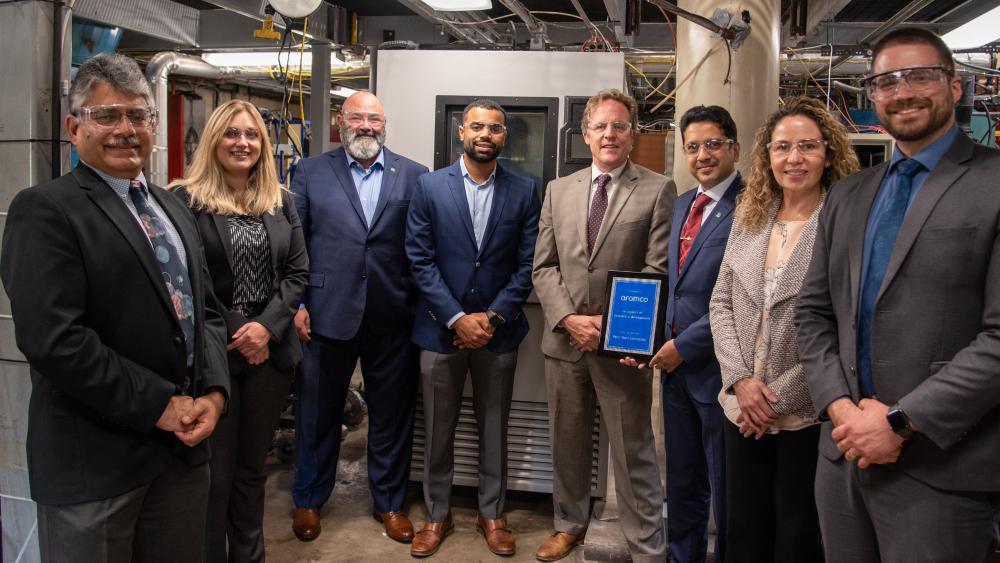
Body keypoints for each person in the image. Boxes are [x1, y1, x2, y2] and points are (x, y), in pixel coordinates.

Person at [0, 53, 229, 562]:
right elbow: (55, 341)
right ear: (74, 126)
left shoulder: (171, 205)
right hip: (97, 465)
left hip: (182, 455)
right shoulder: (47, 211)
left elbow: (205, 311)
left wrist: (214, 393)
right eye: (107, 116)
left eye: (139, 116)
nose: (126, 130)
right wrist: (160, 405)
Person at [795, 27, 1000, 562]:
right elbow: (813, 313)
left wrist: (899, 423)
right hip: (842, 460)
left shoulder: (993, 184)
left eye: (921, 76)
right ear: (873, 95)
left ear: (955, 87)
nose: (903, 91)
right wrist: (842, 410)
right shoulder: (849, 194)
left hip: (941, 467)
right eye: (887, 81)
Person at [709, 97, 858, 562]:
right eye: (782, 147)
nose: (793, 159)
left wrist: (773, 398)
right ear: (767, 155)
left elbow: (842, 320)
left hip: (806, 412)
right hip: (741, 408)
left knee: (797, 534)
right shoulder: (750, 216)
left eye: (807, 147)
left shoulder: (844, 221)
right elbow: (721, 302)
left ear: (828, 154)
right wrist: (740, 381)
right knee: (743, 529)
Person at [532, 89, 676, 563]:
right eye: (601, 126)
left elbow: (657, 271)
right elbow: (544, 267)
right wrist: (570, 319)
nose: (610, 134)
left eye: (620, 126)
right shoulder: (559, 190)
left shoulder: (657, 189)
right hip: (565, 342)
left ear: (633, 135)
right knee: (567, 442)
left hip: (623, 347)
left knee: (634, 450)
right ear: (586, 134)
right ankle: (569, 524)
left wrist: (609, 325)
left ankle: (646, 544)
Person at [168, 99, 308, 563]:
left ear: (263, 144)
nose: (242, 142)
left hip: (270, 356)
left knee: (251, 472)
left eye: (251, 134)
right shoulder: (183, 200)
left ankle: (250, 556)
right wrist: (239, 332)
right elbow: (188, 278)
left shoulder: (282, 201)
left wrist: (265, 330)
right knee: (215, 474)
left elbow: (297, 273)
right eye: (231, 133)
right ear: (214, 140)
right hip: (214, 355)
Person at [290, 91, 429, 543]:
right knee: (317, 412)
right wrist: (299, 304)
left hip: (393, 315)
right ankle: (309, 499)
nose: (366, 126)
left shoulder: (413, 175)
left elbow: (419, 249)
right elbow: (297, 246)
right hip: (325, 314)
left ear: (384, 124)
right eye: (357, 118)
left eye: (374, 119)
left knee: (391, 415)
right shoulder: (311, 172)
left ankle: (389, 502)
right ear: (340, 122)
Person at [405, 99, 540, 557]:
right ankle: (436, 516)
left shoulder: (524, 190)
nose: (486, 134)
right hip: (439, 330)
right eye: (478, 126)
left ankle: (492, 514)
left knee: (494, 426)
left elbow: (528, 264)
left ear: (505, 137)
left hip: (499, 331)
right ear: (461, 132)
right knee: (438, 428)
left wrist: (494, 316)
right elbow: (419, 259)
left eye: (496, 128)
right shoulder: (428, 186)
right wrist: (457, 318)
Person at [623, 104, 742, 563]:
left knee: (727, 486)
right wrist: (647, 340)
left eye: (712, 145)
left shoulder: (751, 205)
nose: (702, 155)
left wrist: (683, 347)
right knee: (684, 481)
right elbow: (670, 286)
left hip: (722, 370)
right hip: (674, 373)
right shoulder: (682, 205)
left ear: (733, 147)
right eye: (693, 147)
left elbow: (741, 298)